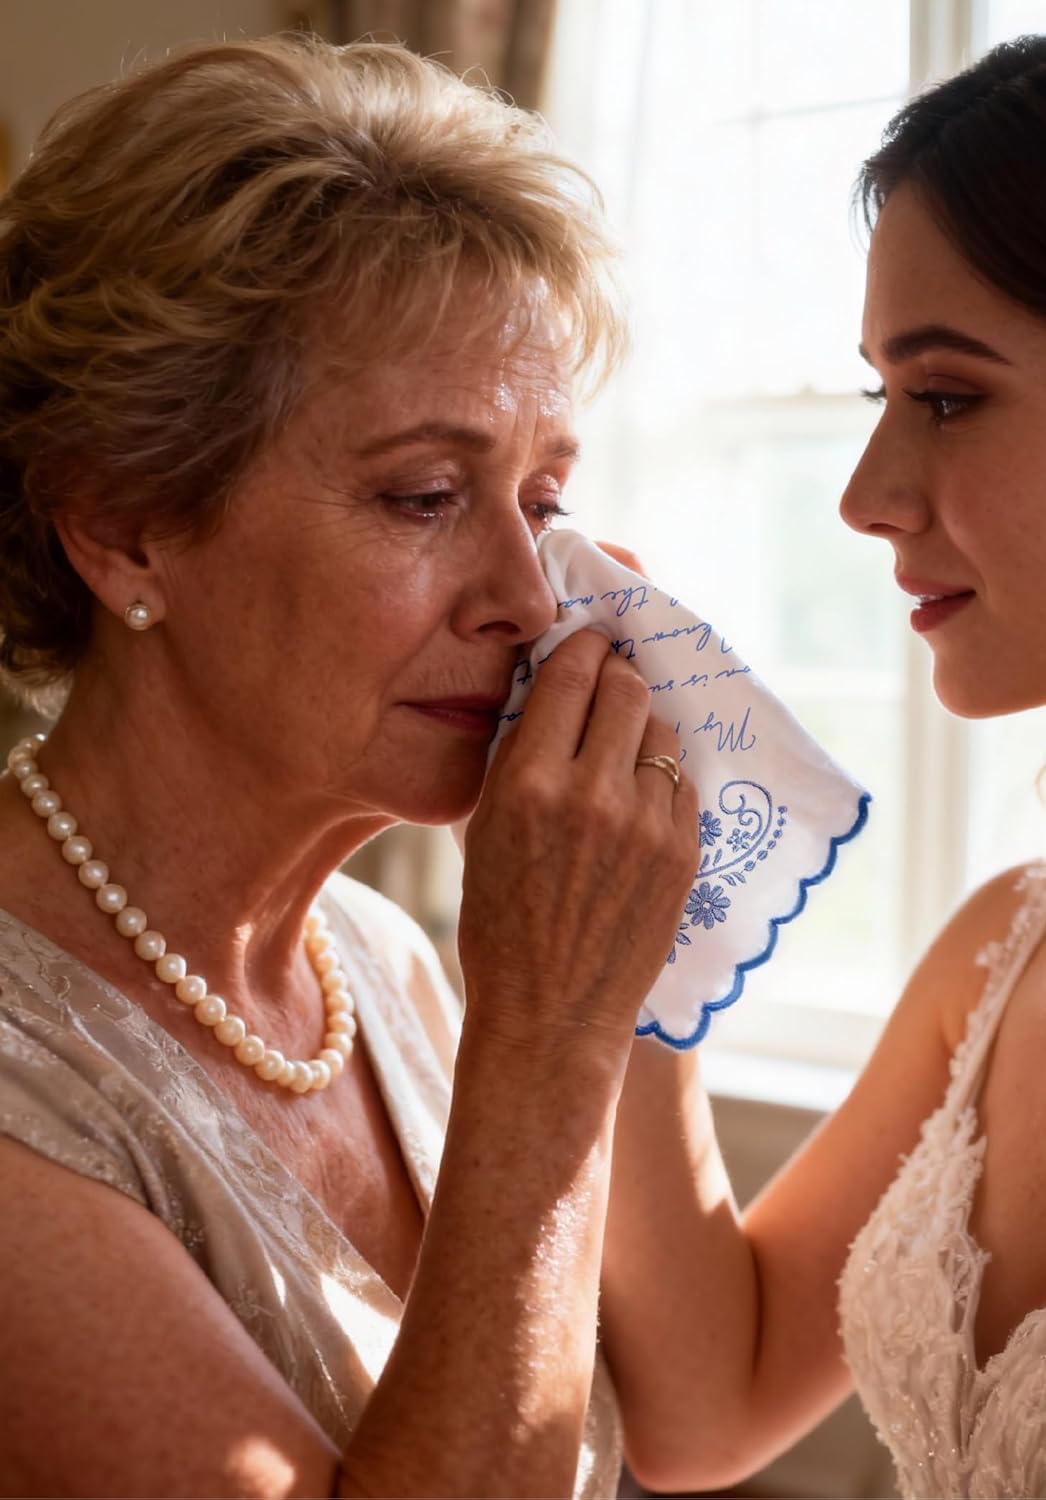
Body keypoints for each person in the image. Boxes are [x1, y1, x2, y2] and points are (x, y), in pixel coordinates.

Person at [0, 34, 701, 1498]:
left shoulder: (387, 961)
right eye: (428, 496)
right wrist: (553, 1043)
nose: (529, 591)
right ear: (123, 522)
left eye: (547, 497)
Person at [595, 3, 1046, 1495]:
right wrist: (622, 937)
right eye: (881, 396)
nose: (867, 493)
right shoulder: (1007, 950)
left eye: (947, 397)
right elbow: (705, 1403)